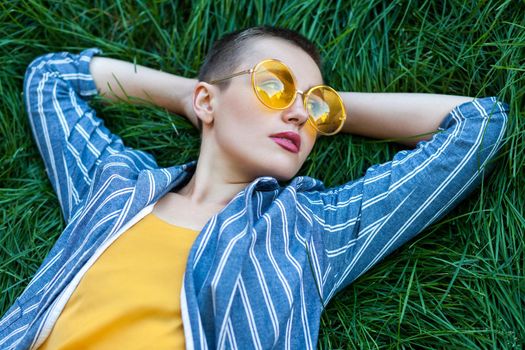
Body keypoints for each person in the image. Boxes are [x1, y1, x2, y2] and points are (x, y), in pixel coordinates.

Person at [0, 26, 508, 349]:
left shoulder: (309, 230)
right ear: (208, 101)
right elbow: (52, 78)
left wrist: (327, 105)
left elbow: (476, 125)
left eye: (313, 107)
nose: (297, 112)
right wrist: (192, 96)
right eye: (274, 85)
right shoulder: (114, 188)